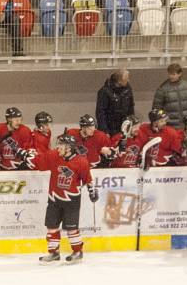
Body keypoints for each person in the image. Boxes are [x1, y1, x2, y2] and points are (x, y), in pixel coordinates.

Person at [34, 134, 97, 263]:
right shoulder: (53, 156)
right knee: (52, 226)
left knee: (71, 229)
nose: (58, 148)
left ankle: (77, 252)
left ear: (69, 148)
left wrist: (92, 191)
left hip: (71, 201)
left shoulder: (81, 161)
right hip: (54, 199)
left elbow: (88, 179)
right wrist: (26, 156)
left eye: (61, 145)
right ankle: (54, 253)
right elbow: (39, 163)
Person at [151, 63, 187, 130]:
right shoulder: (162, 88)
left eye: (173, 74)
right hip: (170, 126)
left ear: (180, 74)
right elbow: (157, 109)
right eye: (169, 74)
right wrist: (162, 121)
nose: (171, 76)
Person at [95, 69, 134, 136]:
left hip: (124, 125)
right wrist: (105, 131)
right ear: (119, 81)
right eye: (126, 79)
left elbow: (131, 107)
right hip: (110, 127)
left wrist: (131, 123)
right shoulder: (104, 91)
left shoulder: (128, 89)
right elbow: (100, 113)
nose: (128, 80)